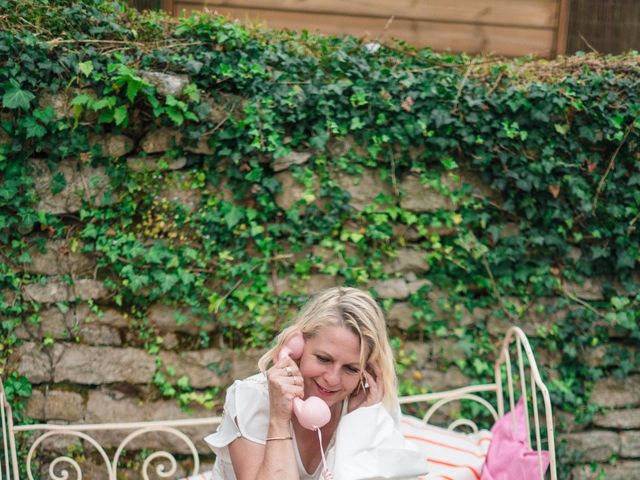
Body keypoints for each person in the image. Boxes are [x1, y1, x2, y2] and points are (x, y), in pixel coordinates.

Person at [205, 287, 428, 480]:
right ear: (297, 347)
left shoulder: (371, 403)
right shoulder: (252, 398)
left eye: (351, 368)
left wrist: (361, 422)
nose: (332, 379)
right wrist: (278, 417)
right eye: (323, 359)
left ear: (367, 372)